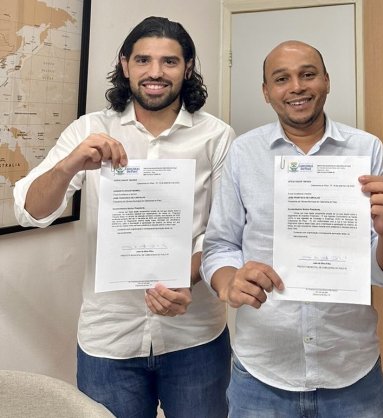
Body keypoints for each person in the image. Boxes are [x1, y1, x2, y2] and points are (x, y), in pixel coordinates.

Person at [13, 16, 235, 418]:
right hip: (110, 338)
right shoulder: (89, 129)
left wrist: (184, 278)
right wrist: (69, 164)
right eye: (143, 60)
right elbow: (31, 212)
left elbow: (224, 232)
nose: (155, 72)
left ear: (187, 68)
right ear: (125, 64)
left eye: (169, 61)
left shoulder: (216, 136)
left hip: (195, 335)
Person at [201, 40, 383, 418]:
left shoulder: (366, 149)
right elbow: (219, 245)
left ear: (326, 81)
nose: (296, 87)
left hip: (350, 370)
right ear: (266, 92)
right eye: (281, 79)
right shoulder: (244, 153)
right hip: (262, 370)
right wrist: (229, 281)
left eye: (308, 74)